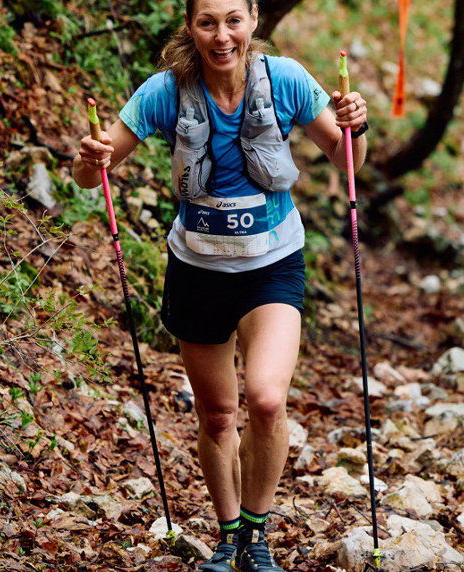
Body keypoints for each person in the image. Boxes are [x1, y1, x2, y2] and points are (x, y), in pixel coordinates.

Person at [71, 0, 368, 569]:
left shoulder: (285, 79)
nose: (221, 34)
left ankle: (256, 536)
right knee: (216, 415)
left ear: (254, 19)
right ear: (191, 26)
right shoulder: (164, 91)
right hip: (198, 268)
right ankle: (228, 535)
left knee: (265, 397)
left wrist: (357, 126)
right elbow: (93, 174)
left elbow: (344, 154)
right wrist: (90, 160)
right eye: (207, 21)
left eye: (233, 19)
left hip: (272, 262)